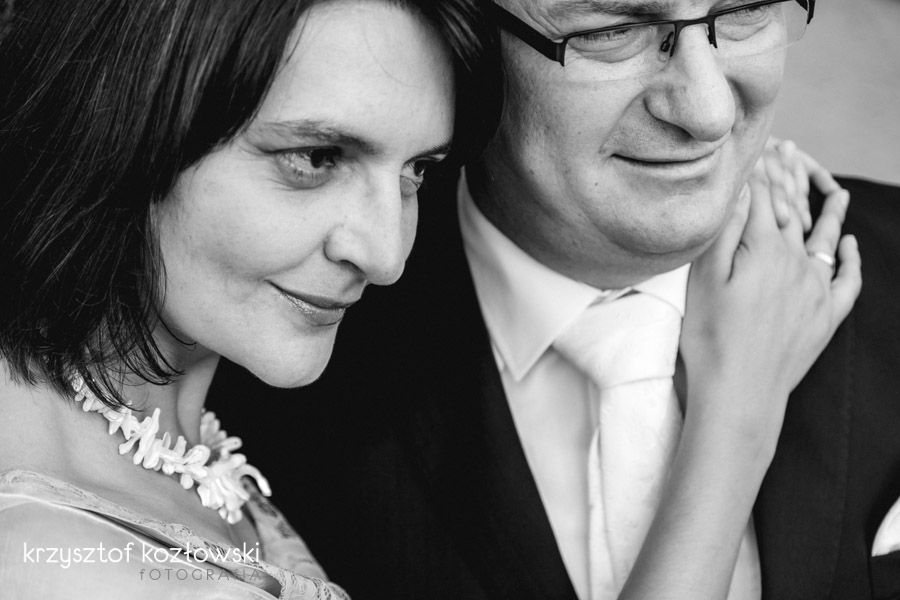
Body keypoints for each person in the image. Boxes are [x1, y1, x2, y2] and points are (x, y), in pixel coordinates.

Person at [210, 0, 900, 599]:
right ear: (469, 39)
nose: (708, 110)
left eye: (746, 10)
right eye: (611, 30)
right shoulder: (260, 365)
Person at [0, 1, 498, 598]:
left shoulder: (180, 446)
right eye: (316, 158)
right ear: (118, 114)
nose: (386, 257)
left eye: (416, 170)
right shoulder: (50, 560)